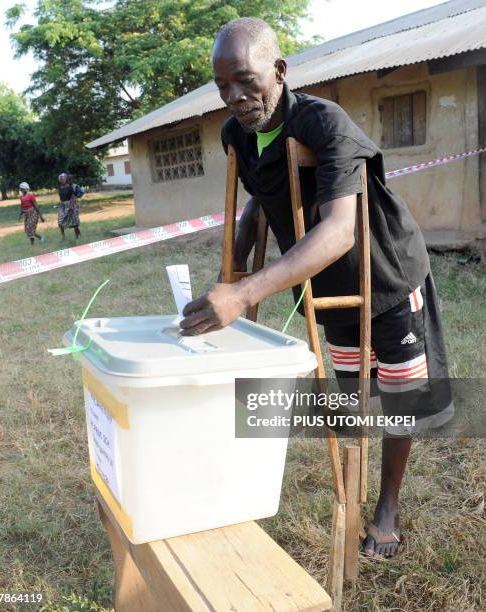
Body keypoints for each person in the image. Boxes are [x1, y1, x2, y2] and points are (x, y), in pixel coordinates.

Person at [180, 18, 453, 558]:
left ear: (278, 71)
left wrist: (245, 293)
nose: (234, 97)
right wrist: (232, 270)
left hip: (387, 275)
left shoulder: (325, 123)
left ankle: (389, 505)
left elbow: (337, 231)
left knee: (402, 399)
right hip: (326, 288)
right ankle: (351, 485)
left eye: (245, 79)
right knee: (354, 395)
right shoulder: (236, 133)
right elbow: (260, 197)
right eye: (222, 88)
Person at [57, 172, 85, 239]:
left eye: (63, 178)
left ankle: (78, 236)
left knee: (74, 223)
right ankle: (63, 237)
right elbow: (61, 198)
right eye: (60, 178)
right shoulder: (60, 187)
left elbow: (81, 193)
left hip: (72, 205)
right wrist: (59, 204)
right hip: (63, 206)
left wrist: (75, 198)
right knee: (60, 221)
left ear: (66, 179)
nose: (61, 179)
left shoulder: (74, 186)